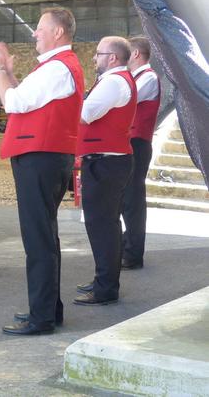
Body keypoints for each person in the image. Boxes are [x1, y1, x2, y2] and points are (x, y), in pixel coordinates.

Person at [0, 7, 85, 336]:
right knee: (45, 235)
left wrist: (0, 69)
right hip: (47, 156)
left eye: (40, 28)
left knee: (38, 238)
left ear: (58, 32)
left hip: (40, 157)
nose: (34, 33)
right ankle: (48, 309)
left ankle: (41, 316)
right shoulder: (57, 67)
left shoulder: (56, 68)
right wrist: (9, 74)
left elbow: (13, 102)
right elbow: (26, 98)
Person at [74, 36, 137, 306]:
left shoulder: (113, 82)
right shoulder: (115, 80)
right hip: (108, 161)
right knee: (104, 224)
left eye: (98, 53)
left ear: (112, 57)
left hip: (106, 162)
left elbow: (85, 113)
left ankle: (105, 287)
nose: (94, 58)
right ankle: (104, 280)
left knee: (102, 225)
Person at [121, 36, 160, 270]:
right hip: (131, 142)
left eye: (127, 53)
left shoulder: (148, 77)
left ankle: (133, 252)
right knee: (127, 198)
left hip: (138, 143)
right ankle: (127, 246)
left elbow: (127, 99)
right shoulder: (137, 77)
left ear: (135, 54)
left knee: (133, 199)